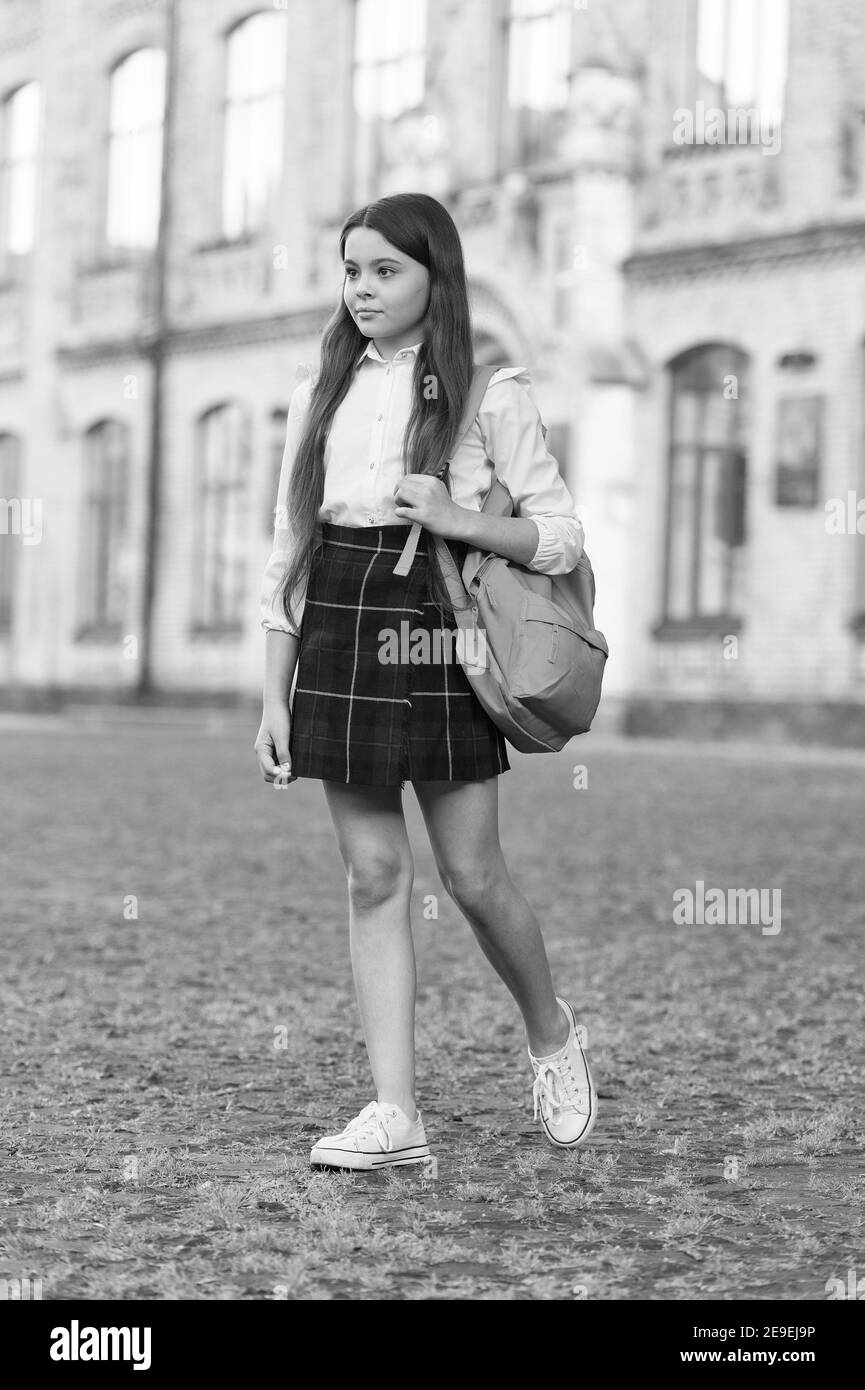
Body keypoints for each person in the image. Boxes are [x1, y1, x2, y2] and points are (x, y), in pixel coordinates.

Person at [254, 192, 596, 1171]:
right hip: (339, 629)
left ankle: (551, 1034)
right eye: (350, 270)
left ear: (432, 278)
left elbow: (561, 532)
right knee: (370, 876)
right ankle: (395, 1112)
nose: (361, 289)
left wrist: (458, 516)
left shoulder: (490, 392)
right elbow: (290, 554)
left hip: (439, 630)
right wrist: (272, 695)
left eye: (384, 271)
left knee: (474, 877)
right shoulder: (316, 392)